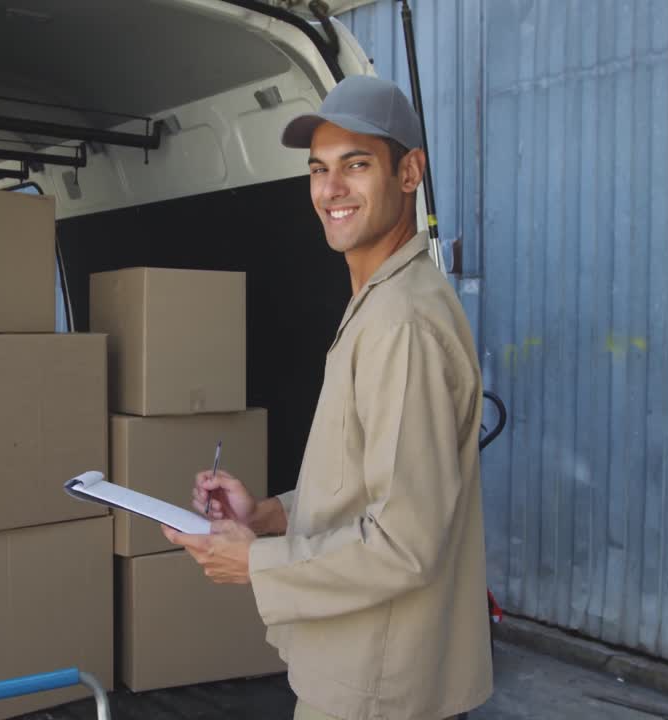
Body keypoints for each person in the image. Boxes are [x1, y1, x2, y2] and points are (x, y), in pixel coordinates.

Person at [161, 75, 493, 720]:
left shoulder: (401, 324)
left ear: (409, 172)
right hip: (362, 668)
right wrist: (267, 515)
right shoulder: (379, 301)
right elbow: (366, 486)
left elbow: (404, 544)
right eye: (319, 169)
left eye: (357, 165)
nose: (331, 190)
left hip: (376, 684)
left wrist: (256, 561)